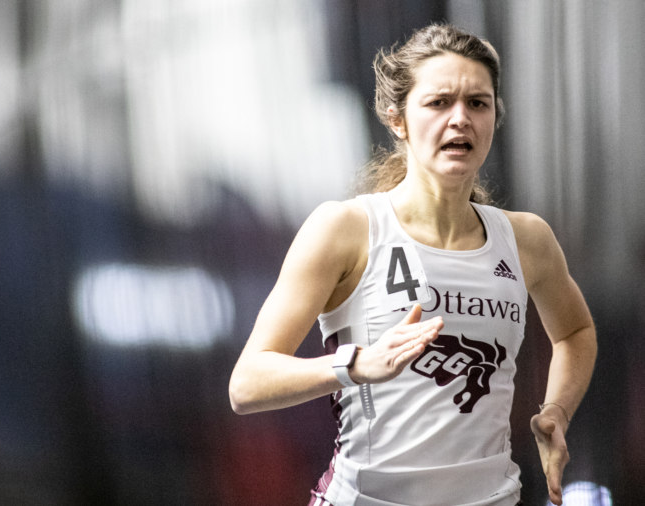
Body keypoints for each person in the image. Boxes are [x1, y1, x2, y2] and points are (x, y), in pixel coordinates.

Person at [229, 24, 596, 506]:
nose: (460, 119)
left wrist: (557, 412)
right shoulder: (346, 228)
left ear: (494, 117)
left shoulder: (526, 238)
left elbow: (575, 332)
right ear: (397, 120)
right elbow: (248, 384)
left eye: (478, 103)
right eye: (439, 102)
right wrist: (355, 364)